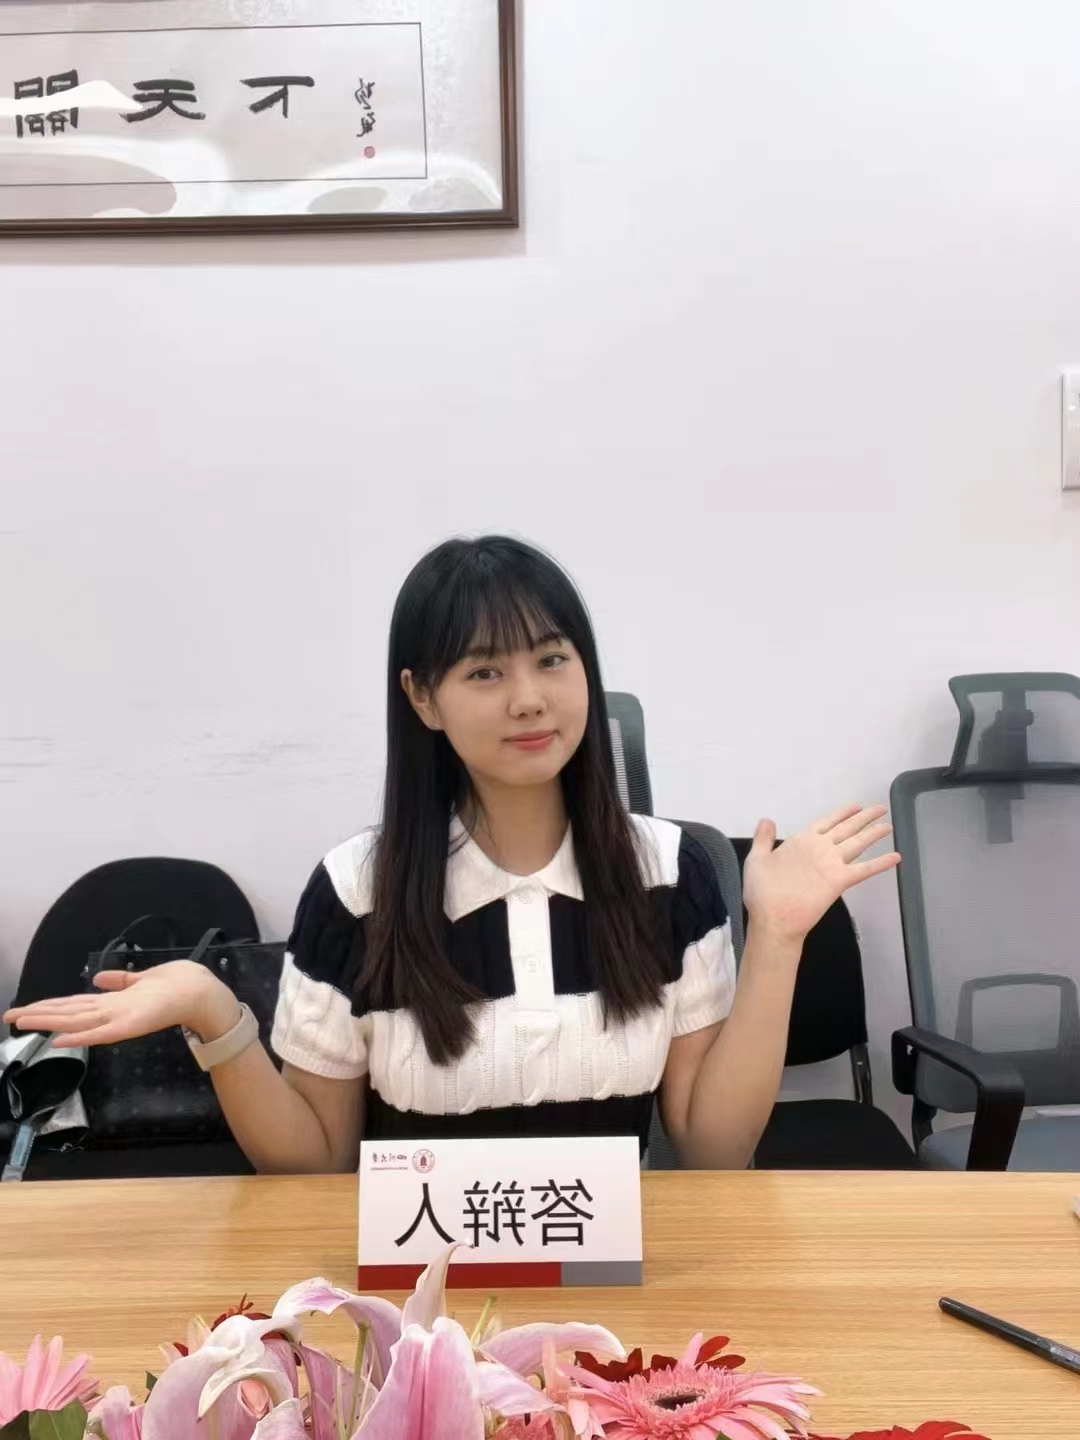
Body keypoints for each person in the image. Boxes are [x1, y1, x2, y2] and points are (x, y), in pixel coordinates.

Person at [4, 536, 899, 1174]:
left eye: (553, 660)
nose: (529, 699)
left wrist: (776, 938)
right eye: (484, 672)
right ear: (423, 698)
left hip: (609, 1282)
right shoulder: (356, 891)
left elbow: (712, 1152)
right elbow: (313, 1164)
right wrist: (214, 1012)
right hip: (420, 1300)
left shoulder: (667, 872)